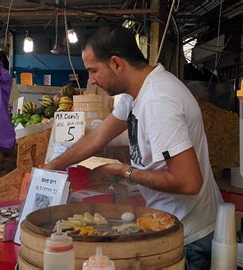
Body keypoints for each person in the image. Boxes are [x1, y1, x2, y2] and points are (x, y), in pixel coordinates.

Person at [44, 26, 222, 269]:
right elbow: (97, 137)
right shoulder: (135, 93)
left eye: (93, 70)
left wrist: (124, 172)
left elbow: (189, 182)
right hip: (167, 224)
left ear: (116, 63)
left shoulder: (158, 100)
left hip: (189, 238)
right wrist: (49, 168)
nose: (92, 80)